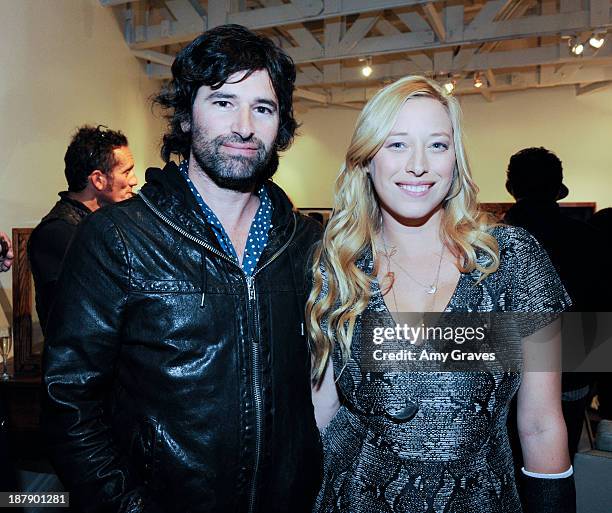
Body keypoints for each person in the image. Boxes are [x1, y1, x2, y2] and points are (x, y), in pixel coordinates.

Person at [42, 25, 322, 513]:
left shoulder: (306, 244)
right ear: (187, 117)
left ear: (281, 125)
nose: (244, 126)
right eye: (222, 102)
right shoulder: (118, 238)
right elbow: (70, 404)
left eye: (263, 108)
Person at [308, 76, 575, 512]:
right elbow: (321, 411)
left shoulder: (511, 261)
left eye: (437, 145)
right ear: (367, 160)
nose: (418, 165)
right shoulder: (340, 265)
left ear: (456, 159)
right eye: (396, 144)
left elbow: (541, 424)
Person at [503, 147, 601, 461]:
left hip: (505, 375)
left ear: (510, 188)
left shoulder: (491, 243)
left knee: (505, 469)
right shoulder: (587, 239)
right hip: (572, 370)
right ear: (559, 188)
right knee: (558, 460)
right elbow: (600, 310)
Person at [28, 125, 137, 334]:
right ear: (98, 179)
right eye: (126, 171)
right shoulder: (57, 233)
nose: (134, 180)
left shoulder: (103, 220)